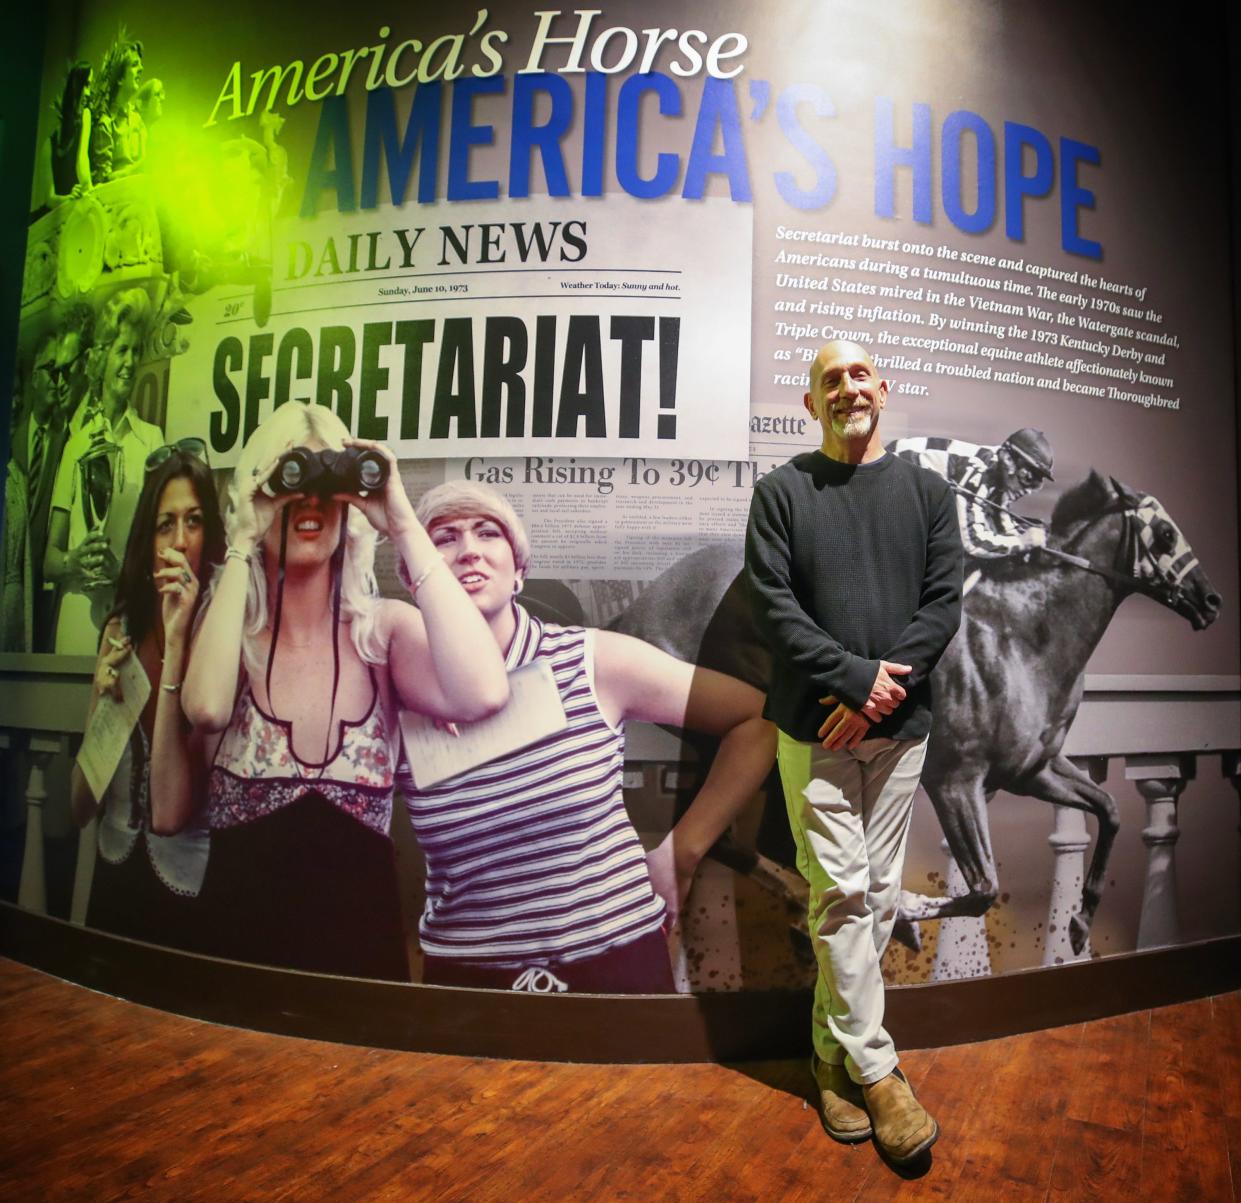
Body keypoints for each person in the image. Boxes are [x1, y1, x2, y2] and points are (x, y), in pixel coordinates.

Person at [402, 481, 776, 994]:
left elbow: (757, 720)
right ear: (413, 577)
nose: (468, 549)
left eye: (487, 533)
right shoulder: (397, 693)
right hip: (466, 983)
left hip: (615, 969)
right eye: (442, 538)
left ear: (519, 571)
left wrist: (682, 850)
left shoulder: (592, 660)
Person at [182, 404, 508, 980]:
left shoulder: (382, 633)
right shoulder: (234, 635)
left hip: (359, 969)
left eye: (328, 483)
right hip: (234, 961)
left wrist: (402, 522)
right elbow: (205, 708)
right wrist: (240, 540)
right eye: (291, 478)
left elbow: (483, 691)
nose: (310, 501)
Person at [745, 341, 962, 1165]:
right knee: (838, 889)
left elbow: (942, 604)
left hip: (900, 731)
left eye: (859, 374)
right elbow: (773, 606)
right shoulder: (781, 492)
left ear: (883, 387)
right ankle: (880, 1072)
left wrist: (884, 692)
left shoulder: (927, 492)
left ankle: (830, 1057)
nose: (847, 388)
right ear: (810, 404)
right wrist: (852, 678)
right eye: (829, 379)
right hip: (813, 730)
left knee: (869, 896)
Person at [70, 441, 225, 946]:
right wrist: (102, 708)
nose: (180, 541)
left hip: (188, 889)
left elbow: (170, 816)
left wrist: (179, 640)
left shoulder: (221, 635)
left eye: (195, 521)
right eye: (166, 525)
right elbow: (77, 808)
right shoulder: (122, 629)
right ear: (148, 539)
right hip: (114, 879)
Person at [45, 287, 161, 653]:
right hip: (76, 625)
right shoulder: (76, 444)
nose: (130, 362)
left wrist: (123, 573)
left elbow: (159, 549)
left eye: (136, 351)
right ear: (101, 357)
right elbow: (48, 560)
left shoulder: (152, 442)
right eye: (121, 350)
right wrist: (71, 562)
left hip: (126, 623)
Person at [890, 430, 1053, 580]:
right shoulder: (979, 470)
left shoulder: (999, 471)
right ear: (1008, 459)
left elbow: (1000, 521)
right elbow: (972, 540)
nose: (1029, 490)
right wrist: (1021, 543)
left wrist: (1026, 538)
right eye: (1028, 477)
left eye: (1037, 484)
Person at [2, 333, 66, 650]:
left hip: (43, 587)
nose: (57, 381)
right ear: (34, 379)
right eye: (51, 371)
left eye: (62, 373)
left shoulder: (65, 437)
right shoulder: (13, 438)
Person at [31, 62, 94, 212]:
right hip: (56, 216)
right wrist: (69, 198)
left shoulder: (86, 117)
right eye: (85, 85)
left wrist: (90, 192)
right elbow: (49, 198)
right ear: (75, 89)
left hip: (74, 213)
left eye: (89, 86)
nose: (88, 93)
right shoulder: (48, 145)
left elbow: (82, 162)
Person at [90, 33, 145, 183]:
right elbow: (103, 180)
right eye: (134, 65)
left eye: (140, 64)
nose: (141, 69)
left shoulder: (137, 121)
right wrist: (136, 170)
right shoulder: (106, 124)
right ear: (120, 78)